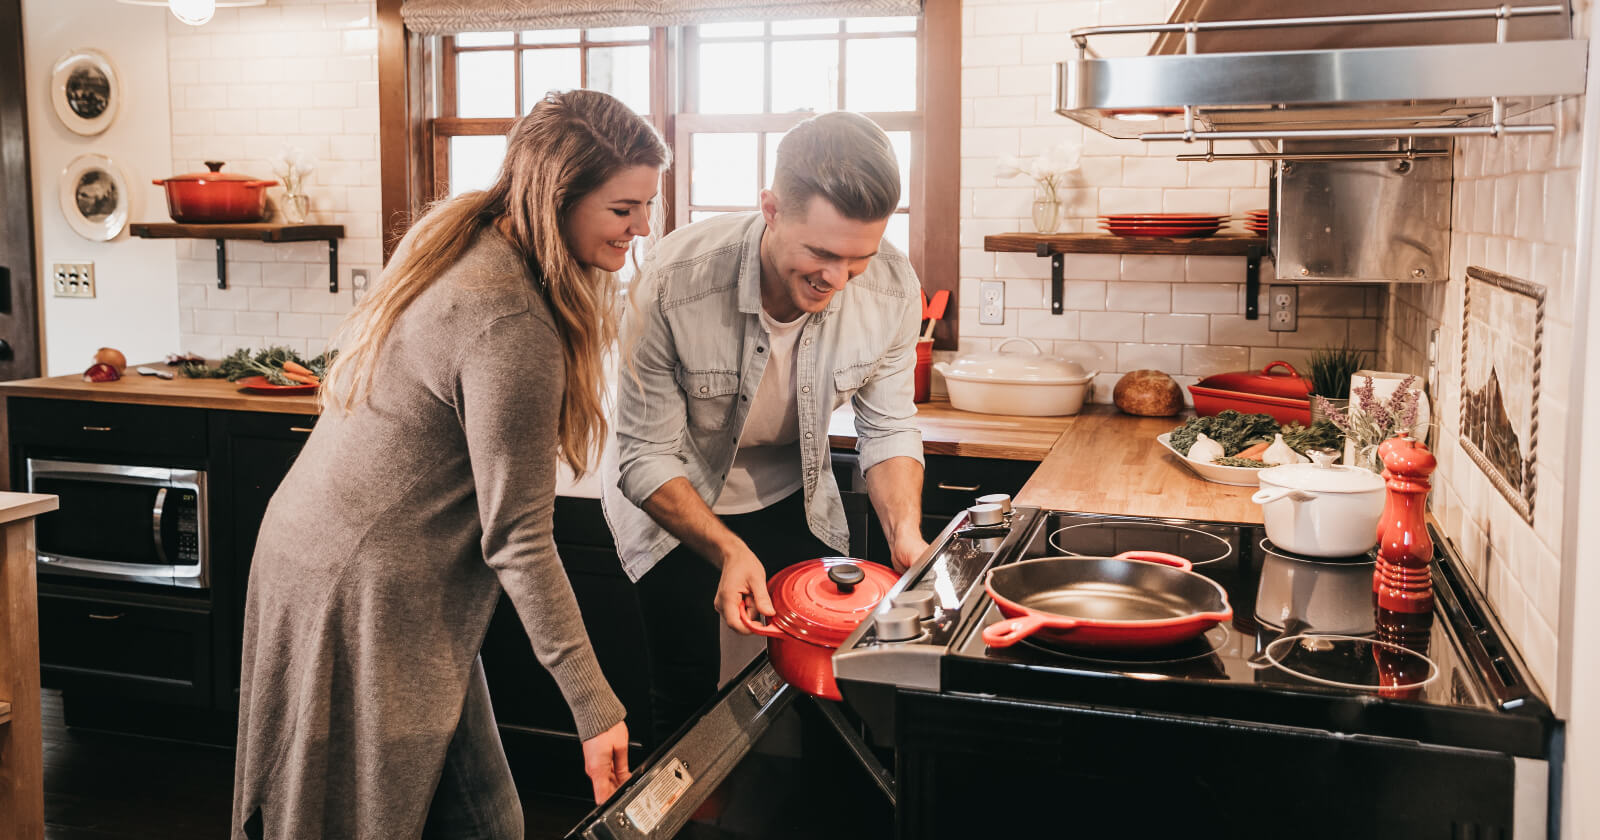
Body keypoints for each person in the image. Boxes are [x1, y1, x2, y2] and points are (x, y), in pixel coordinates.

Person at [232, 89, 669, 840]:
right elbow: (520, 541)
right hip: (366, 586)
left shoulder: (460, 232)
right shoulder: (510, 318)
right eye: (623, 208)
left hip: (321, 553)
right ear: (557, 194)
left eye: (648, 205)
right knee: (432, 819)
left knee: (473, 812)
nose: (642, 226)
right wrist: (597, 709)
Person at [602, 111, 928, 746]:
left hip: (792, 494)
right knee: (687, 689)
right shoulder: (672, 283)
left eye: (857, 259)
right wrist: (727, 550)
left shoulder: (891, 287)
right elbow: (644, 455)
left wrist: (906, 534)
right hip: (675, 499)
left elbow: (887, 427)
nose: (836, 280)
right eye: (821, 253)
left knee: (828, 686)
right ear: (771, 209)